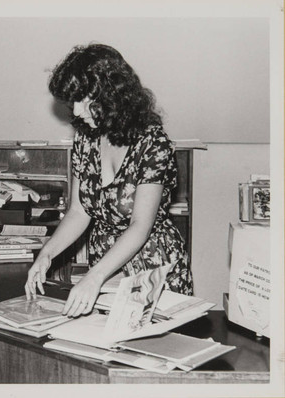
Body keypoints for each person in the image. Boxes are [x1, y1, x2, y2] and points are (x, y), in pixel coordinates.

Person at [25, 44, 193, 318]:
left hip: (152, 265)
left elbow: (140, 226)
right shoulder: (86, 137)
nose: (77, 111)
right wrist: (47, 253)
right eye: (72, 102)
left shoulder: (153, 142)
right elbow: (79, 212)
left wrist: (94, 277)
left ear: (112, 94)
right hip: (104, 265)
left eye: (83, 100)